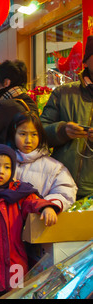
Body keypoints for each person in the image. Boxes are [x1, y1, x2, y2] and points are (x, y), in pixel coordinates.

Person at [0, 144, 60, 298]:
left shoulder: (19, 193)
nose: (1, 171)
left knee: (16, 295)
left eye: (7, 167)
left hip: (14, 265)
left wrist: (47, 208)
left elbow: (33, 202)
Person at [40, 35, 93, 200]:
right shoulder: (63, 93)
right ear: (87, 61)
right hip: (61, 187)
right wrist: (62, 131)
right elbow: (38, 133)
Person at [7, 111, 77, 212]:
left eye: (34, 134)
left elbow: (65, 192)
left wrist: (48, 206)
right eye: (23, 134)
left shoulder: (54, 167)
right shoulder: (3, 161)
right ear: (13, 135)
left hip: (38, 222)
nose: (28, 140)